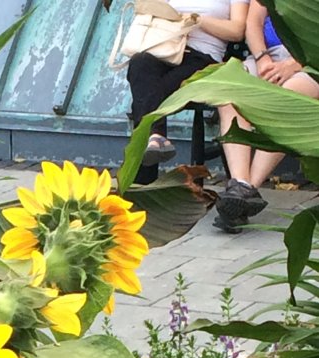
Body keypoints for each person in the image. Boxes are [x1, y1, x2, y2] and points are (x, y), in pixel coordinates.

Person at [215, 0, 319, 230]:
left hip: (311, 64)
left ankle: (243, 191)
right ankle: (241, 185)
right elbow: (253, 21)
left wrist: (295, 64)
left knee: (287, 101)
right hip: (267, 56)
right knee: (229, 92)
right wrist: (262, 59)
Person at [127, 1, 250, 183]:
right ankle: (156, 137)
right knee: (139, 63)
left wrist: (198, 20)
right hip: (165, 50)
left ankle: (142, 181)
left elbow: (237, 30)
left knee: (148, 96)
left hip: (204, 58)